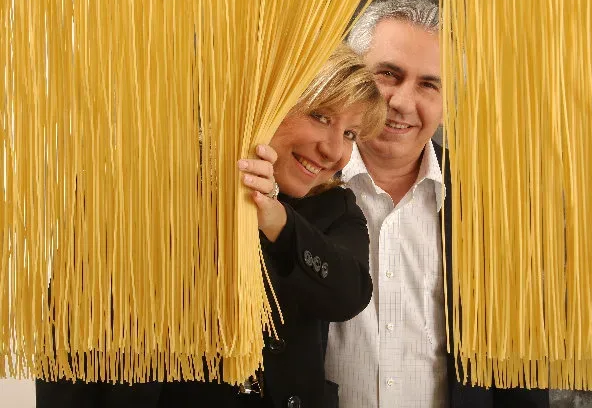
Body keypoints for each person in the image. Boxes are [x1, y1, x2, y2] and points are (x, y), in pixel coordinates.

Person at [36, 45, 386, 408]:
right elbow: (70, 340)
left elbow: (348, 295)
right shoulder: (143, 188)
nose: (334, 151)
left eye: (350, 134)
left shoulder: (334, 207)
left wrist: (275, 218)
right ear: (269, 99)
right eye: (320, 116)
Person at [325, 0, 551, 408]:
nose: (401, 102)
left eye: (429, 85)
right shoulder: (297, 185)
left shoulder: (494, 207)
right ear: (350, 76)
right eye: (388, 75)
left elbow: (520, 370)